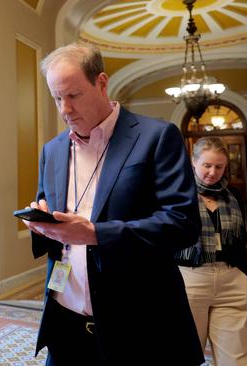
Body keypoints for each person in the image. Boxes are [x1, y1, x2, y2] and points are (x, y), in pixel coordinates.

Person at [22, 43, 204, 365]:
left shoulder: (156, 136)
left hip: (138, 326)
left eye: (73, 95)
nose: (64, 109)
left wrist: (95, 234)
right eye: (56, 98)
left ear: (101, 83)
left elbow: (182, 224)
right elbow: (53, 226)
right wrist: (42, 222)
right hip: (66, 323)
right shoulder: (51, 151)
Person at [175, 137, 247, 366]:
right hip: (190, 278)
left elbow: (241, 241)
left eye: (219, 166)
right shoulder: (178, 195)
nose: (213, 172)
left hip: (231, 279)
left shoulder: (233, 195)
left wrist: (244, 276)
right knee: (186, 354)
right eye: (207, 165)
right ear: (193, 162)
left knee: (237, 357)